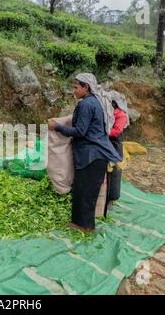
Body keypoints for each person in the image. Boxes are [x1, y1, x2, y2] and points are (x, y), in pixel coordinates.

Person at [48, 73, 121, 233]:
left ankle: (85, 226)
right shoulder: (92, 102)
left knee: (86, 190)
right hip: (93, 154)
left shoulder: (86, 104)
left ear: (85, 87)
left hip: (92, 154)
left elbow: (80, 131)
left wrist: (57, 127)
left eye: (76, 87)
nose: (73, 91)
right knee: (83, 189)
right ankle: (81, 223)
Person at [106, 91, 129, 211]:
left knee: (114, 172)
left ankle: (111, 199)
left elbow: (116, 131)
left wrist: (101, 133)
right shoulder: (108, 113)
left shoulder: (121, 115)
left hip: (114, 145)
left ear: (114, 103)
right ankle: (103, 197)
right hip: (106, 143)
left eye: (109, 101)